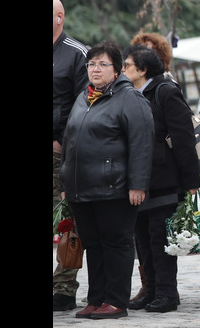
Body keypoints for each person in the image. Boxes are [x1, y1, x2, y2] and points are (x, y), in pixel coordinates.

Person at [60, 41, 154, 320]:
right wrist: (67, 183)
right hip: (82, 189)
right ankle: (96, 298)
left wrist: (138, 184)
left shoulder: (130, 98)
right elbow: (70, 141)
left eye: (103, 64)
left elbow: (142, 144)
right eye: (91, 64)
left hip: (115, 188)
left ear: (117, 70)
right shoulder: (83, 97)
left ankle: (115, 300)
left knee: (116, 244)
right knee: (93, 245)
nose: (95, 69)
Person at [121, 44, 200, 313]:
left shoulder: (165, 91)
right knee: (142, 238)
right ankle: (151, 289)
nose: (123, 70)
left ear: (142, 70)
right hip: (140, 180)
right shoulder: (130, 93)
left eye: (127, 65)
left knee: (160, 239)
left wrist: (191, 182)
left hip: (165, 180)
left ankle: (167, 293)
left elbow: (184, 138)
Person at [53, 0, 88, 311]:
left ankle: (63, 288)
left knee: (66, 221)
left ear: (59, 17)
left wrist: (63, 141)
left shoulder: (77, 53)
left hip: (60, 153)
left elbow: (85, 102)